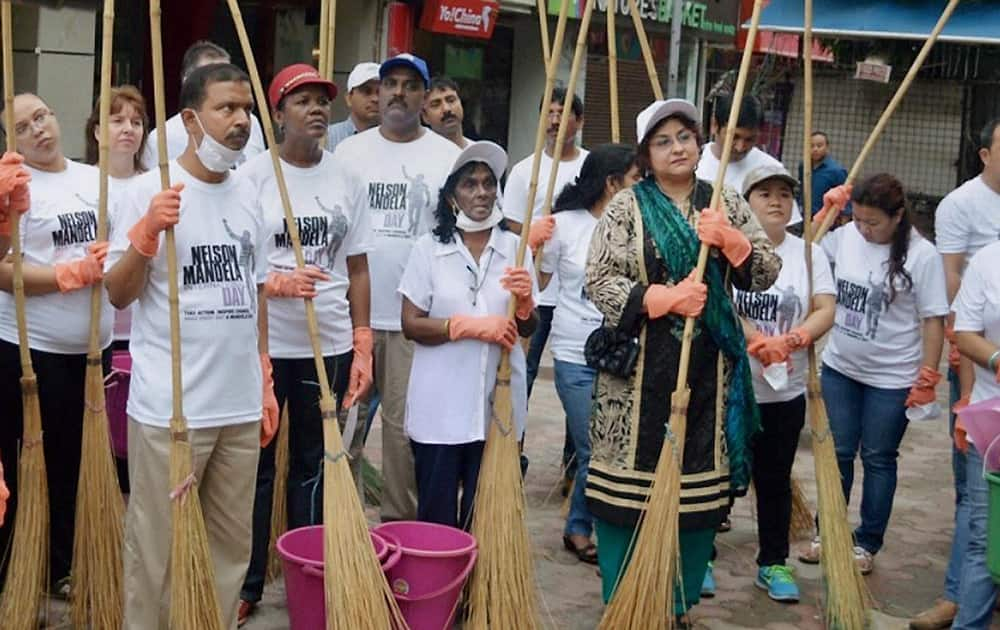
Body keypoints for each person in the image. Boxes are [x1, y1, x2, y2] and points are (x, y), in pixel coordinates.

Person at [584, 99, 780, 621]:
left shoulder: (725, 202)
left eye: (685, 137)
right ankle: (624, 602)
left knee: (695, 507)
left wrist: (733, 243)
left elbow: (766, 273)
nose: (678, 148)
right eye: (663, 141)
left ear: (700, 143)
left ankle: (675, 604)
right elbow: (598, 280)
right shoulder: (628, 207)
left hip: (708, 377)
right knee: (625, 501)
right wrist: (664, 299)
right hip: (636, 383)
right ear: (646, 155)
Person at [105, 63, 277, 629]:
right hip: (170, 410)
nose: (240, 121)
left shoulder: (250, 193)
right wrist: (145, 236)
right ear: (190, 118)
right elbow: (117, 293)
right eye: (226, 108)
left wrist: (264, 378)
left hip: (237, 405)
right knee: (156, 552)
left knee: (229, 552)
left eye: (246, 109)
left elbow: (255, 298)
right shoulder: (151, 192)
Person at [235, 63, 373, 624]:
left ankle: (308, 570)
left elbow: (358, 266)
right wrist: (272, 283)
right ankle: (247, 580)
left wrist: (363, 341)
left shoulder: (345, 178)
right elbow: (236, 264)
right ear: (277, 113)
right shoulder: (252, 178)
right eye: (302, 101)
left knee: (316, 465)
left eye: (322, 100)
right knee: (258, 464)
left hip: (329, 341)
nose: (317, 110)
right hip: (266, 345)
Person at [332, 53, 460, 523]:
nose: (398, 93)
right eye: (390, 84)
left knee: (402, 436)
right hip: (353, 319)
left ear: (425, 98)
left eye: (410, 85)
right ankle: (339, 532)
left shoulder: (447, 159)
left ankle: (399, 533)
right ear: (377, 92)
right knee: (344, 428)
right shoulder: (348, 154)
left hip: (414, 323)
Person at [800, 174, 947, 576]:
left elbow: (934, 319)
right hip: (841, 368)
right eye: (858, 219)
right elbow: (806, 247)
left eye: (873, 223)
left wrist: (928, 376)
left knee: (879, 457)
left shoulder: (923, 255)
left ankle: (867, 542)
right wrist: (827, 211)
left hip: (892, 376)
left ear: (897, 217)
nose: (864, 229)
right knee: (838, 453)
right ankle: (826, 532)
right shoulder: (845, 236)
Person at [0, 94, 109, 595]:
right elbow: (2, 270)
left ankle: (62, 564)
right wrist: (68, 274)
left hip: (88, 351)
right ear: (11, 140)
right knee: (27, 460)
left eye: (41, 116)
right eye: (23, 127)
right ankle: (17, 567)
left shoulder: (93, 179)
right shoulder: (12, 183)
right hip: (28, 348)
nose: (38, 130)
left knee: (74, 461)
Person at [399, 141, 536, 528]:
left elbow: (528, 326)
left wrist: (524, 304)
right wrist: (461, 326)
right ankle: (440, 586)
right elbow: (411, 323)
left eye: (489, 183)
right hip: (440, 405)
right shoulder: (428, 249)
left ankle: (483, 588)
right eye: (470, 184)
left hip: (497, 403)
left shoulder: (515, 247)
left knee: (486, 516)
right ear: (451, 196)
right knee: (437, 515)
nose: (481, 192)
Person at [528, 143, 640, 564]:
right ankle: (581, 529)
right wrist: (529, 248)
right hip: (575, 353)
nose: (640, 185)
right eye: (634, 178)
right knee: (594, 445)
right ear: (612, 184)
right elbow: (536, 284)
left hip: (624, 353)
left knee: (614, 446)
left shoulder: (636, 223)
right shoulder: (563, 225)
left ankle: (586, 522)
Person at [912, 117, 1000, 630]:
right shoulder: (962, 207)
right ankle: (957, 601)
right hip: (978, 371)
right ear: (984, 154)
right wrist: (963, 371)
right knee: (976, 498)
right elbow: (953, 287)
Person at [733, 164, 835, 602]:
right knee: (721, 477)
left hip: (786, 390)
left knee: (774, 480)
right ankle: (700, 559)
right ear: (746, 202)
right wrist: (754, 339)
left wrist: (797, 337)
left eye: (784, 193)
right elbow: (717, 302)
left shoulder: (808, 254)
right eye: (765, 193)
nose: (776, 201)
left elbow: (824, 307)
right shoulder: (729, 251)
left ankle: (773, 562)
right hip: (734, 388)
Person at [504, 88, 588, 479]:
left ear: (579, 121)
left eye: (564, 112)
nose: (555, 120)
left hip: (577, 292)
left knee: (582, 376)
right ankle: (512, 452)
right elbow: (510, 227)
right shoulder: (525, 171)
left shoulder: (592, 169)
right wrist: (531, 234)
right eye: (549, 112)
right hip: (534, 291)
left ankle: (576, 462)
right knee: (524, 371)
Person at [83, 84, 150, 492]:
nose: (128, 129)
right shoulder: (83, 184)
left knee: (133, 438)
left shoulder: (154, 185)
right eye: (117, 120)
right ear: (96, 131)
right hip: (97, 329)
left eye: (137, 121)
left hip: (143, 327)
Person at [951, 238, 1000, 630]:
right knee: (985, 540)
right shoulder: (988, 259)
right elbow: (965, 333)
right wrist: (997, 358)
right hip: (992, 422)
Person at [142, 40, 265, 171]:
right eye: (214, 76)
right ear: (187, 81)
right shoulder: (161, 139)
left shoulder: (251, 122)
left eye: (227, 74)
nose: (242, 121)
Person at [697, 93, 802, 225]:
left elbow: (786, 228)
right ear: (714, 125)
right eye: (734, 137)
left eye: (750, 139)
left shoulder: (771, 170)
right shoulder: (692, 162)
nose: (740, 147)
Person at [326, 61, 381, 153]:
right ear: (349, 98)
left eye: (380, 92)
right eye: (367, 92)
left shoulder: (395, 141)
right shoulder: (328, 138)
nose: (375, 99)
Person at [797, 131, 848, 220]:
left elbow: (845, 200)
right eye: (811, 146)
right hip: (803, 217)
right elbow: (801, 188)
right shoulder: (803, 166)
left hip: (825, 221)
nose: (815, 149)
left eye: (819, 146)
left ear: (827, 147)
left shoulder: (836, 171)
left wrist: (844, 220)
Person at [422, 76, 472, 149]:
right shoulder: (419, 157)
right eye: (436, 105)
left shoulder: (480, 154)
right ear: (425, 116)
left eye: (451, 100)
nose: (446, 109)